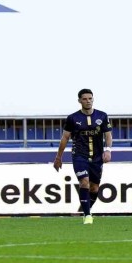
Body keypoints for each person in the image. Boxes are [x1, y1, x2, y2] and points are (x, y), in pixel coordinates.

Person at [53, 89, 112, 225]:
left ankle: (86, 210)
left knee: (95, 188)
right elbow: (65, 138)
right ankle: (87, 215)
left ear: (93, 99)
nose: (88, 101)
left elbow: (108, 135)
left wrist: (108, 150)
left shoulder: (102, 116)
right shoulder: (72, 118)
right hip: (79, 155)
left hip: (97, 156)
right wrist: (58, 157)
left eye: (90, 98)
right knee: (84, 182)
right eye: (85, 99)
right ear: (79, 101)